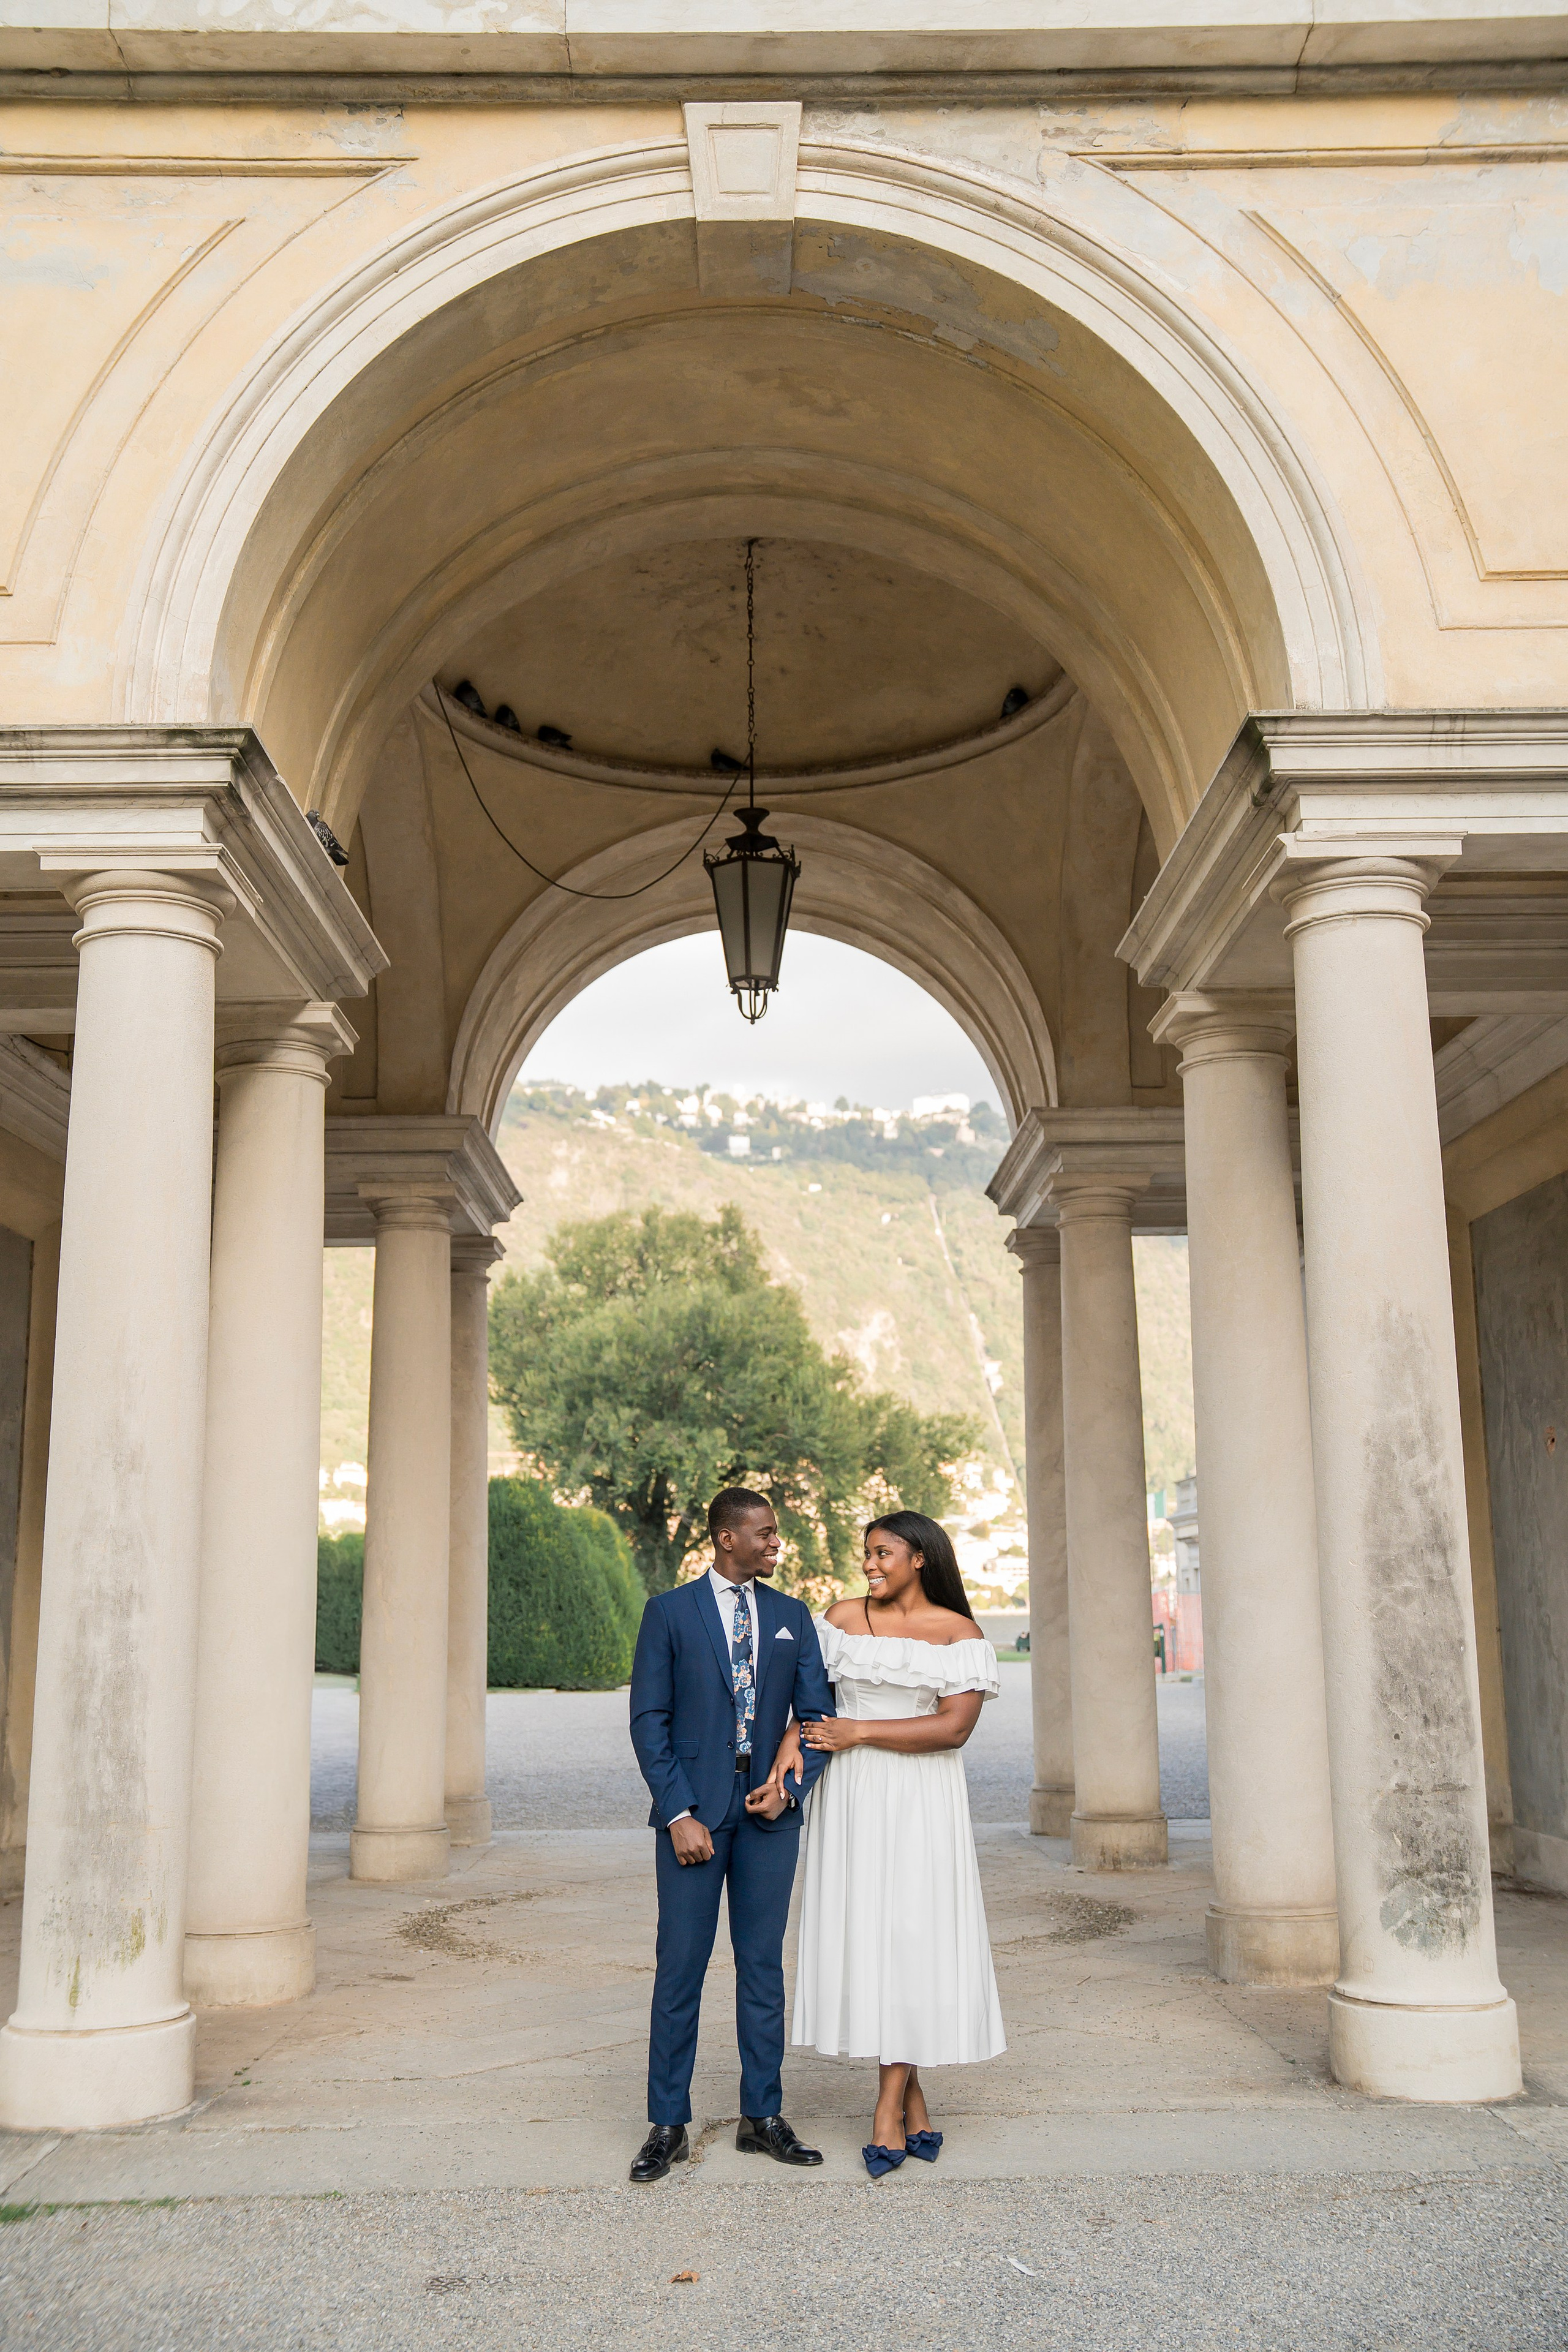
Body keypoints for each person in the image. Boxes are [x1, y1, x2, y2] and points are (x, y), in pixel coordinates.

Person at [763, 1510, 1005, 2177]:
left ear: (920, 1557)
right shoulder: (839, 1618)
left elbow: (953, 1729)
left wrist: (859, 1732)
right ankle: (915, 2100)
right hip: (853, 1799)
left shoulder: (959, 1634)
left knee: (912, 1938)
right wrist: (795, 1739)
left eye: (882, 1553)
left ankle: (886, 2106)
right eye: (865, 1554)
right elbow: (808, 1702)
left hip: (923, 1801)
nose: (869, 1565)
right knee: (875, 1939)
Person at [627, 1486, 837, 2184]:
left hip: (767, 1820)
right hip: (693, 1819)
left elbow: (817, 1718)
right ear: (726, 1537)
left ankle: (762, 2116)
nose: (776, 1544)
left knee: (763, 1970)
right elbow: (648, 1720)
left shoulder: (789, 1616)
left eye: (776, 1534)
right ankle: (667, 2124)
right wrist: (679, 1812)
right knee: (679, 1969)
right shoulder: (668, 1614)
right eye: (766, 1534)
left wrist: (790, 1785)